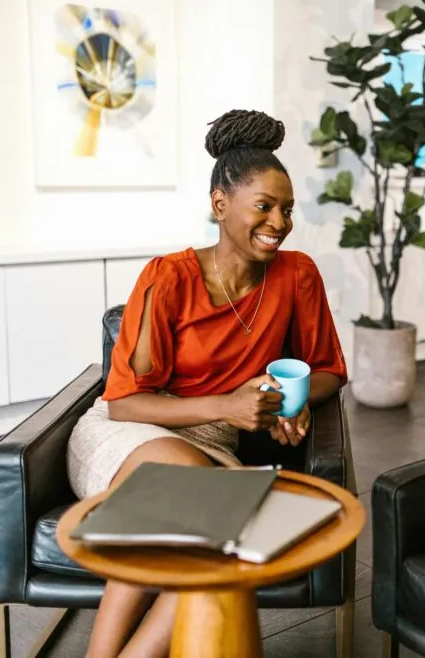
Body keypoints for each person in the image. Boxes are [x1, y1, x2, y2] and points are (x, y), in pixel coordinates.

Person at [67, 109, 348, 658]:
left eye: (287, 209)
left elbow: (329, 370)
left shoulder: (298, 274)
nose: (279, 221)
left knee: (205, 534)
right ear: (220, 204)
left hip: (210, 445)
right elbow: (124, 404)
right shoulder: (167, 277)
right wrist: (231, 405)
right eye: (264, 206)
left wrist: (285, 397)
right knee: (188, 495)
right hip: (133, 432)